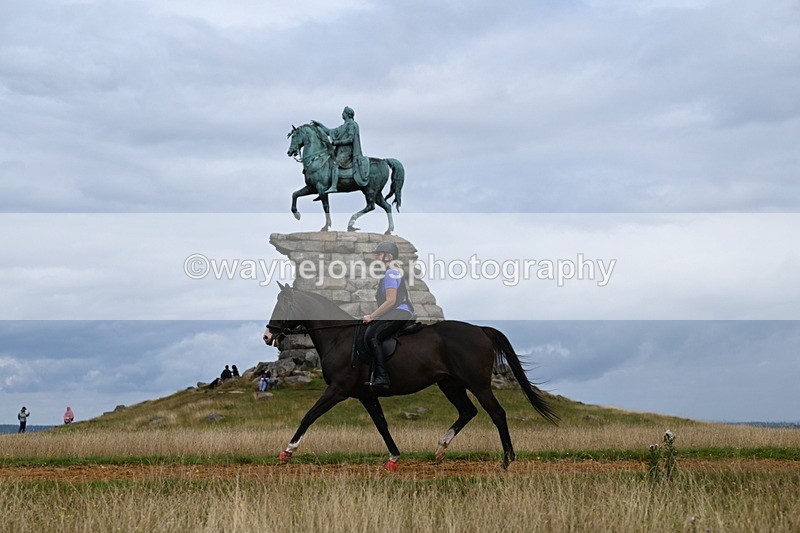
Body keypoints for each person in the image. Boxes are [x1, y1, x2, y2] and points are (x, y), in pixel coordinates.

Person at [362, 241, 414, 390]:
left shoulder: (390, 273)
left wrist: (372, 316)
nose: (376, 257)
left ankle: (382, 377)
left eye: (379, 254)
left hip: (400, 311)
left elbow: (391, 301)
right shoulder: (388, 274)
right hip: (396, 312)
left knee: (373, 336)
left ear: (388, 257)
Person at [311, 106, 366, 194]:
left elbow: (350, 139)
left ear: (347, 114)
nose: (342, 114)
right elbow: (329, 131)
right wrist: (320, 125)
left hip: (347, 152)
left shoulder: (352, 125)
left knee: (335, 164)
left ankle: (334, 186)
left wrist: (337, 143)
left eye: (343, 113)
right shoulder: (342, 127)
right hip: (340, 152)